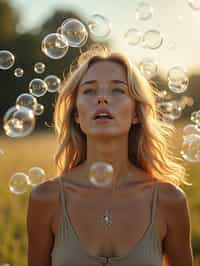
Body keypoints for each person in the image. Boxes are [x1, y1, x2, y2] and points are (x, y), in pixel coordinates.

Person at [27, 44, 194, 266]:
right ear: (76, 114)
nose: (102, 99)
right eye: (89, 90)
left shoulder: (169, 200)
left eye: (117, 90)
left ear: (136, 113)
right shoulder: (46, 199)